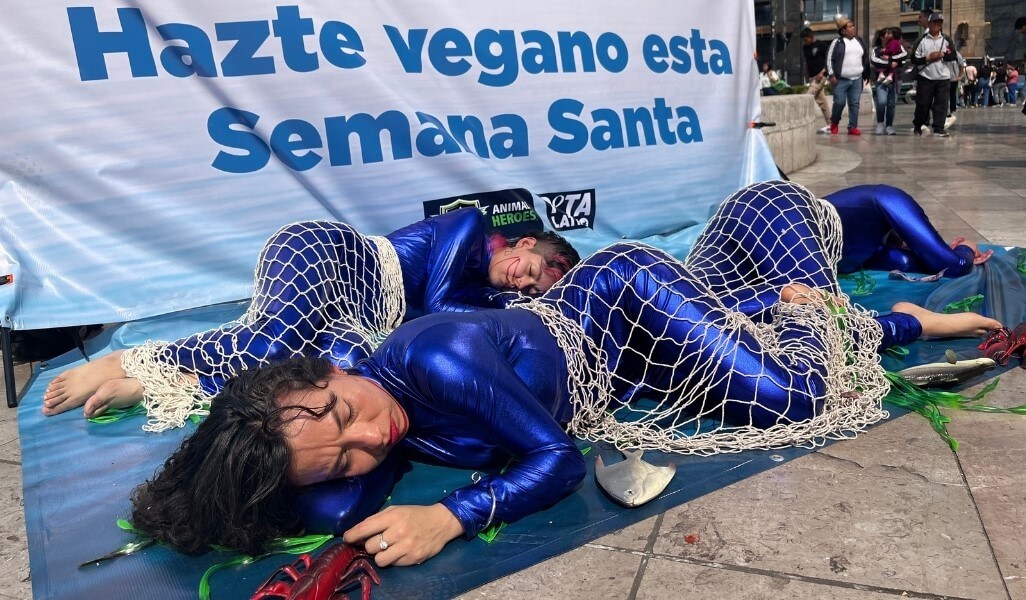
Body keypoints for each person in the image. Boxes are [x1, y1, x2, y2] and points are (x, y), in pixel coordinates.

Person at [126, 181, 1002, 563]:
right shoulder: (345, 415)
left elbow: (555, 461)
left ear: (316, 373)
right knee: (742, 357)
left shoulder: (430, 357)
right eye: (348, 454)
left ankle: (874, 318)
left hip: (625, 299)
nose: (370, 435)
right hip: (623, 369)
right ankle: (792, 314)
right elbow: (325, 491)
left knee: (798, 395)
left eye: (340, 410)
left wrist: (452, 515)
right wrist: (267, 483)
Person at [42, 208, 580, 427]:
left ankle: (175, 381)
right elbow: (438, 304)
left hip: (360, 312)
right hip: (331, 258)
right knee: (270, 344)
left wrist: (509, 306)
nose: (523, 283)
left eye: (533, 288)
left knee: (343, 369)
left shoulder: (480, 293)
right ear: (523, 242)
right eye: (530, 270)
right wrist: (515, 305)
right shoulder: (469, 225)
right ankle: (134, 359)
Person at [824, 185, 993, 277]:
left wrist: (942, 255)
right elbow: (956, 265)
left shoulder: (875, 249)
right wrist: (967, 247)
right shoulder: (889, 199)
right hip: (804, 224)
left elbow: (905, 262)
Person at [911, 12, 957, 137]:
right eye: (935, 22)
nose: (937, 25)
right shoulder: (922, 40)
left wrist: (942, 55)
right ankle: (918, 124)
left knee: (941, 104)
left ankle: (938, 128)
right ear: (930, 23)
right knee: (923, 103)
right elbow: (913, 59)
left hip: (943, 77)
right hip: (926, 76)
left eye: (940, 23)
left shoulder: (946, 39)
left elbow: (953, 55)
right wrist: (928, 58)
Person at [827, 18, 871, 136]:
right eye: (850, 27)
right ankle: (834, 122)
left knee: (855, 103)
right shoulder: (837, 42)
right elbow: (829, 59)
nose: (853, 28)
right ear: (843, 31)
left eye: (853, 26)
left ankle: (852, 127)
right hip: (841, 80)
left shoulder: (859, 41)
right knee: (839, 103)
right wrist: (831, 75)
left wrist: (867, 73)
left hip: (857, 78)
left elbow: (865, 58)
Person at [871, 27, 908, 135]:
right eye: (887, 33)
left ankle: (889, 125)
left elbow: (904, 54)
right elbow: (874, 60)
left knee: (891, 104)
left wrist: (890, 59)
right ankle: (880, 123)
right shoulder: (876, 49)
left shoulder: (898, 45)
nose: (890, 35)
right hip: (881, 79)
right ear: (882, 37)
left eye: (890, 33)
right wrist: (889, 64)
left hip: (896, 79)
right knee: (881, 102)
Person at [801, 28, 833, 133]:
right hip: (812, 77)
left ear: (811, 37)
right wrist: (806, 75)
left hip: (821, 76)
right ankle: (831, 124)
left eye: (806, 40)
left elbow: (829, 60)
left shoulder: (821, 45)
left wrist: (823, 72)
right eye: (803, 40)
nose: (804, 42)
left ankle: (802, 122)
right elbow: (807, 62)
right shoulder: (805, 48)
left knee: (808, 95)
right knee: (822, 102)